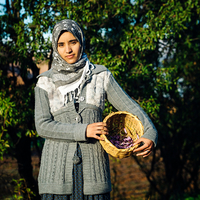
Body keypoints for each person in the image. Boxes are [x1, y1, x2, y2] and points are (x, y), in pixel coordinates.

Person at [34, 19, 158, 200]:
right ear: (55, 47)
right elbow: (42, 125)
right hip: (55, 180)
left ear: (81, 42)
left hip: (95, 177)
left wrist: (150, 133)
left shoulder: (100, 75)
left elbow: (129, 106)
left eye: (73, 42)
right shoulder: (45, 81)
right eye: (61, 45)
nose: (68, 50)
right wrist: (84, 130)